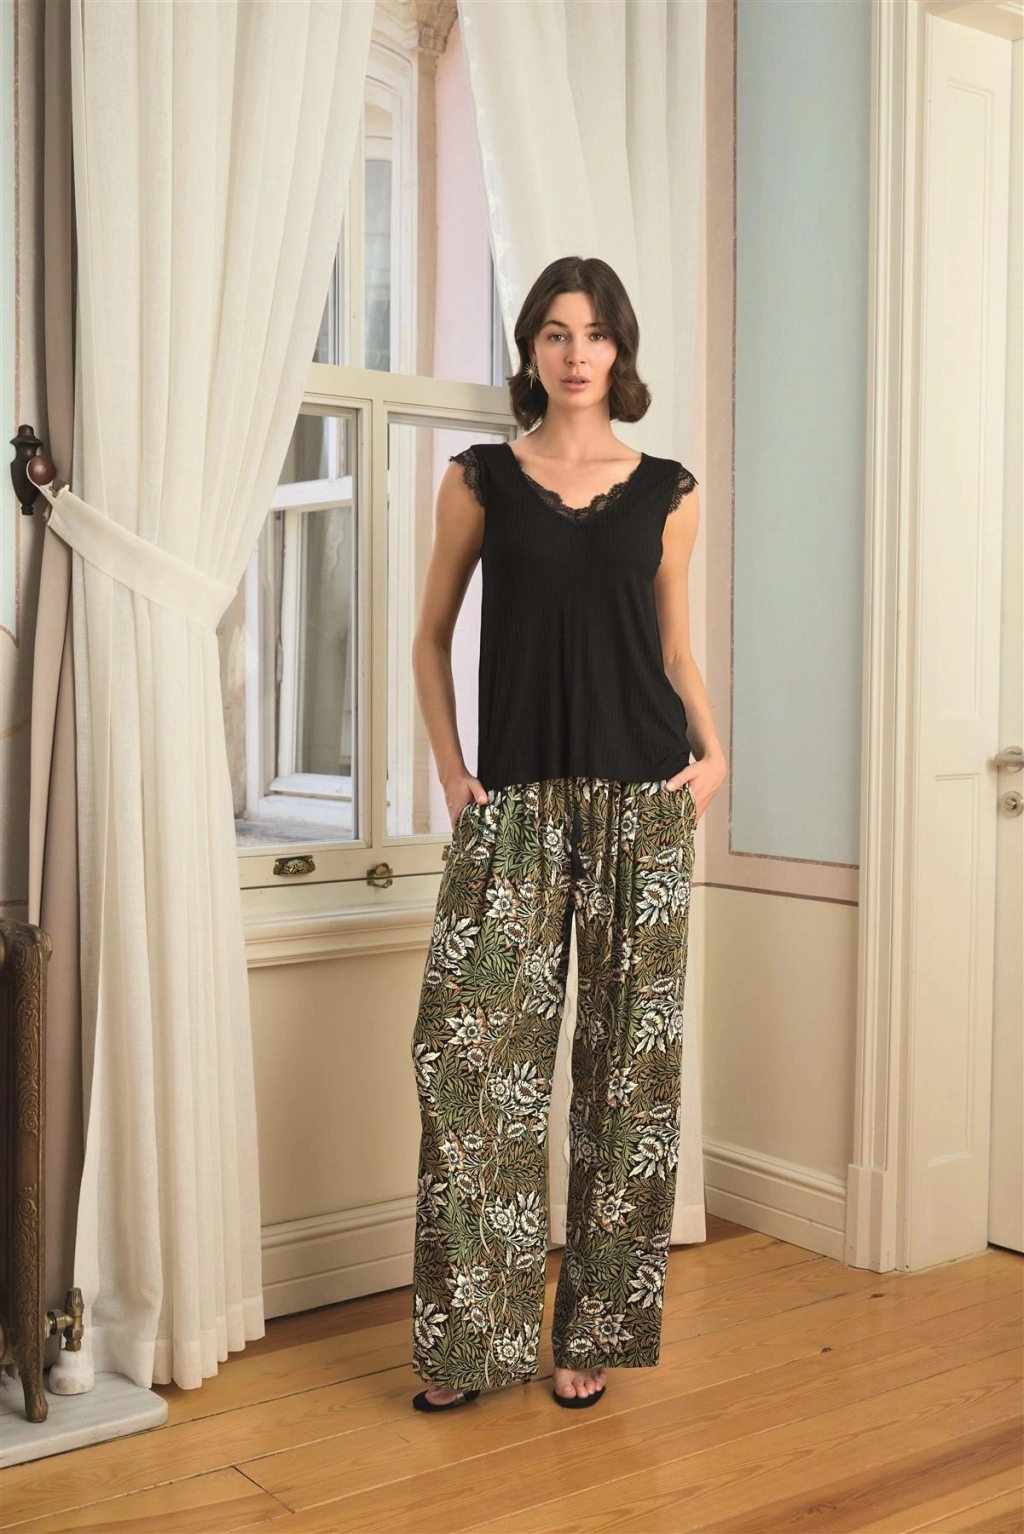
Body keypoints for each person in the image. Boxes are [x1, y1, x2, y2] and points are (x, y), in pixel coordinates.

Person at [408, 254, 726, 1414]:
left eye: (594, 333)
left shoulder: (668, 489)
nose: (575, 352)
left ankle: (590, 1330)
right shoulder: (481, 479)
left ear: (618, 349)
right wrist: (453, 773)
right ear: (531, 350)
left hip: (643, 800)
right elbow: (430, 636)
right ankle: (470, 1344)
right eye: (554, 331)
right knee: (469, 1067)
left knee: (625, 1079)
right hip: (517, 805)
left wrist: (715, 753)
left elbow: (672, 647)